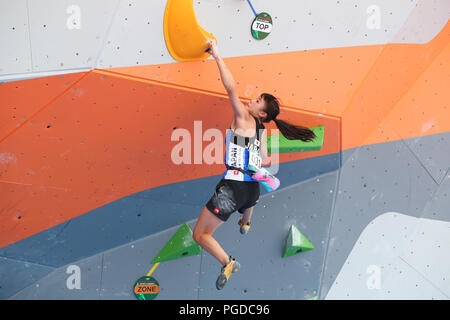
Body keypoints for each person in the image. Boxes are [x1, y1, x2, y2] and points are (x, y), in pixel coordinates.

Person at [193, 39, 317, 290]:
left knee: (200, 235)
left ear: (262, 114)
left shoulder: (244, 119)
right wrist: (246, 215)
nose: (252, 99)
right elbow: (260, 167)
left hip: (233, 187)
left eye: (258, 100)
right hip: (251, 191)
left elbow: (230, 88)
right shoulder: (261, 132)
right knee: (248, 203)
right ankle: (246, 223)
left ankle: (227, 262)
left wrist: (216, 54)